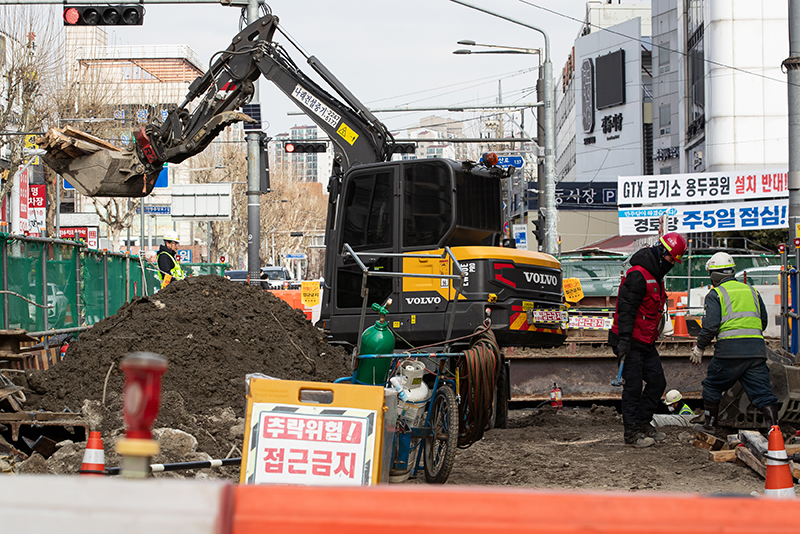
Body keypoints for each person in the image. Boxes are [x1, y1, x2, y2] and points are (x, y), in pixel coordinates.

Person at [609, 232, 687, 448]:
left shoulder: (655, 276)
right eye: (671, 259)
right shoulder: (638, 275)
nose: (671, 264)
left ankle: (642, 422)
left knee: (657, 382)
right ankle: (631, 433)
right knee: (632, 387)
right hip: (630, 340)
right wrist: (623, 341)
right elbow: (625, 310)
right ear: (662, 253)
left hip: (644, 341)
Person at [691, 251, 779, 435]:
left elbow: (711, 326)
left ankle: (710, 426)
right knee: (763, 393)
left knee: (712, 386)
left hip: (729, 352)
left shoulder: (715, 294)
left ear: (714, 275)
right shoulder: (752, 291)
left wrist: (699, 347)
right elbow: (763, 322)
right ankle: (775, 430)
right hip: (756, 351)